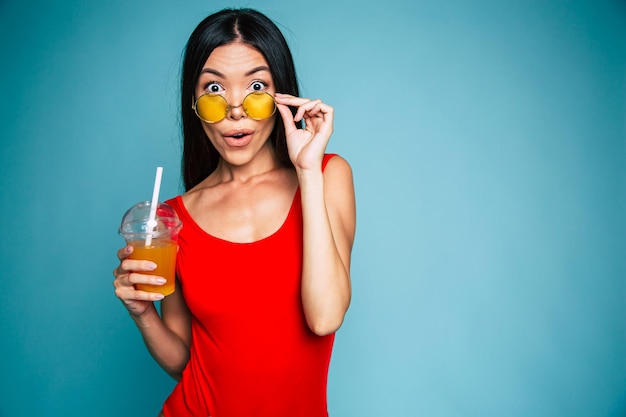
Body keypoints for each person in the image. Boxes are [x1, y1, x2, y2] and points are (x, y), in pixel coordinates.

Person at [113, 7, 356, 417]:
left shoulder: (327, 175)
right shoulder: (174, 218)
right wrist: (142, 314)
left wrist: (307, 170)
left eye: (256, 86)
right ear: (193, 101)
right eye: (213, 90)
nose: (235, 110)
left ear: (281, 95)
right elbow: (183, 361)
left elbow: (325, 317)